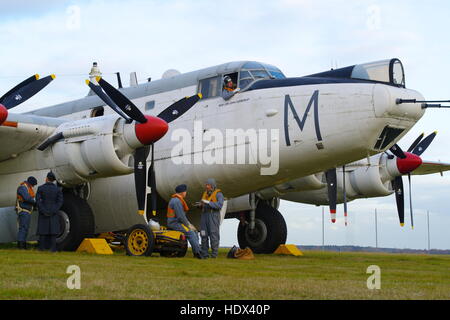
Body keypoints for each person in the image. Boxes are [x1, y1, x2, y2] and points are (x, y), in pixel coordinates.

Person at [167, 184, 203, 259]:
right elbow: (181, 217)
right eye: (185, 191)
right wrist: (188, 225)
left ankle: (197, 250)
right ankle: (197, 253)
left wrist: (189, 224)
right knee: (191, 233)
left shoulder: (175, 200)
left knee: (194, 231)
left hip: (176, 222)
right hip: (174, 223)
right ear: (182, 192)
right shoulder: (177, 201)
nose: (186, 193)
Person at [36, 172, 63, 252]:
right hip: (53, 212)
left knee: (43, 230)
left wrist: (43, 210)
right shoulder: (58, 189)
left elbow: (38, 201)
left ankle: (41, 248)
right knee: (53, 230)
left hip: (43, 211)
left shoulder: (41, 188)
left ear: (47, 178)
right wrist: (54, 210)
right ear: (53, 180)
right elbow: (60, 201)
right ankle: (53, 248)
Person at [199, 178, 224, 258]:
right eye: (206, 185)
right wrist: (200, 205)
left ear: (212, 186)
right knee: (203, 234)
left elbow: (220, 205)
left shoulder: (219, 194)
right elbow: (203, 203)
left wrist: (209, 203)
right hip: (204, 215)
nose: (206, 186)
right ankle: (204, 254)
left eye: (208, 185)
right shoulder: (205, 194)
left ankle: (214, 255)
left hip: (213, 216)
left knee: (214, 235)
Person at [16, 176, 38, 249]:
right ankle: (21, 245)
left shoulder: (27, 188)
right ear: (30, 183)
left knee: (25, 228)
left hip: (27, 212)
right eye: (33, 185)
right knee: (23, 228)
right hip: (23, 211)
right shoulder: (22, 188)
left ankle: (23, 244)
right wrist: (35, 201)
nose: (33, 186)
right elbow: (26, 198)